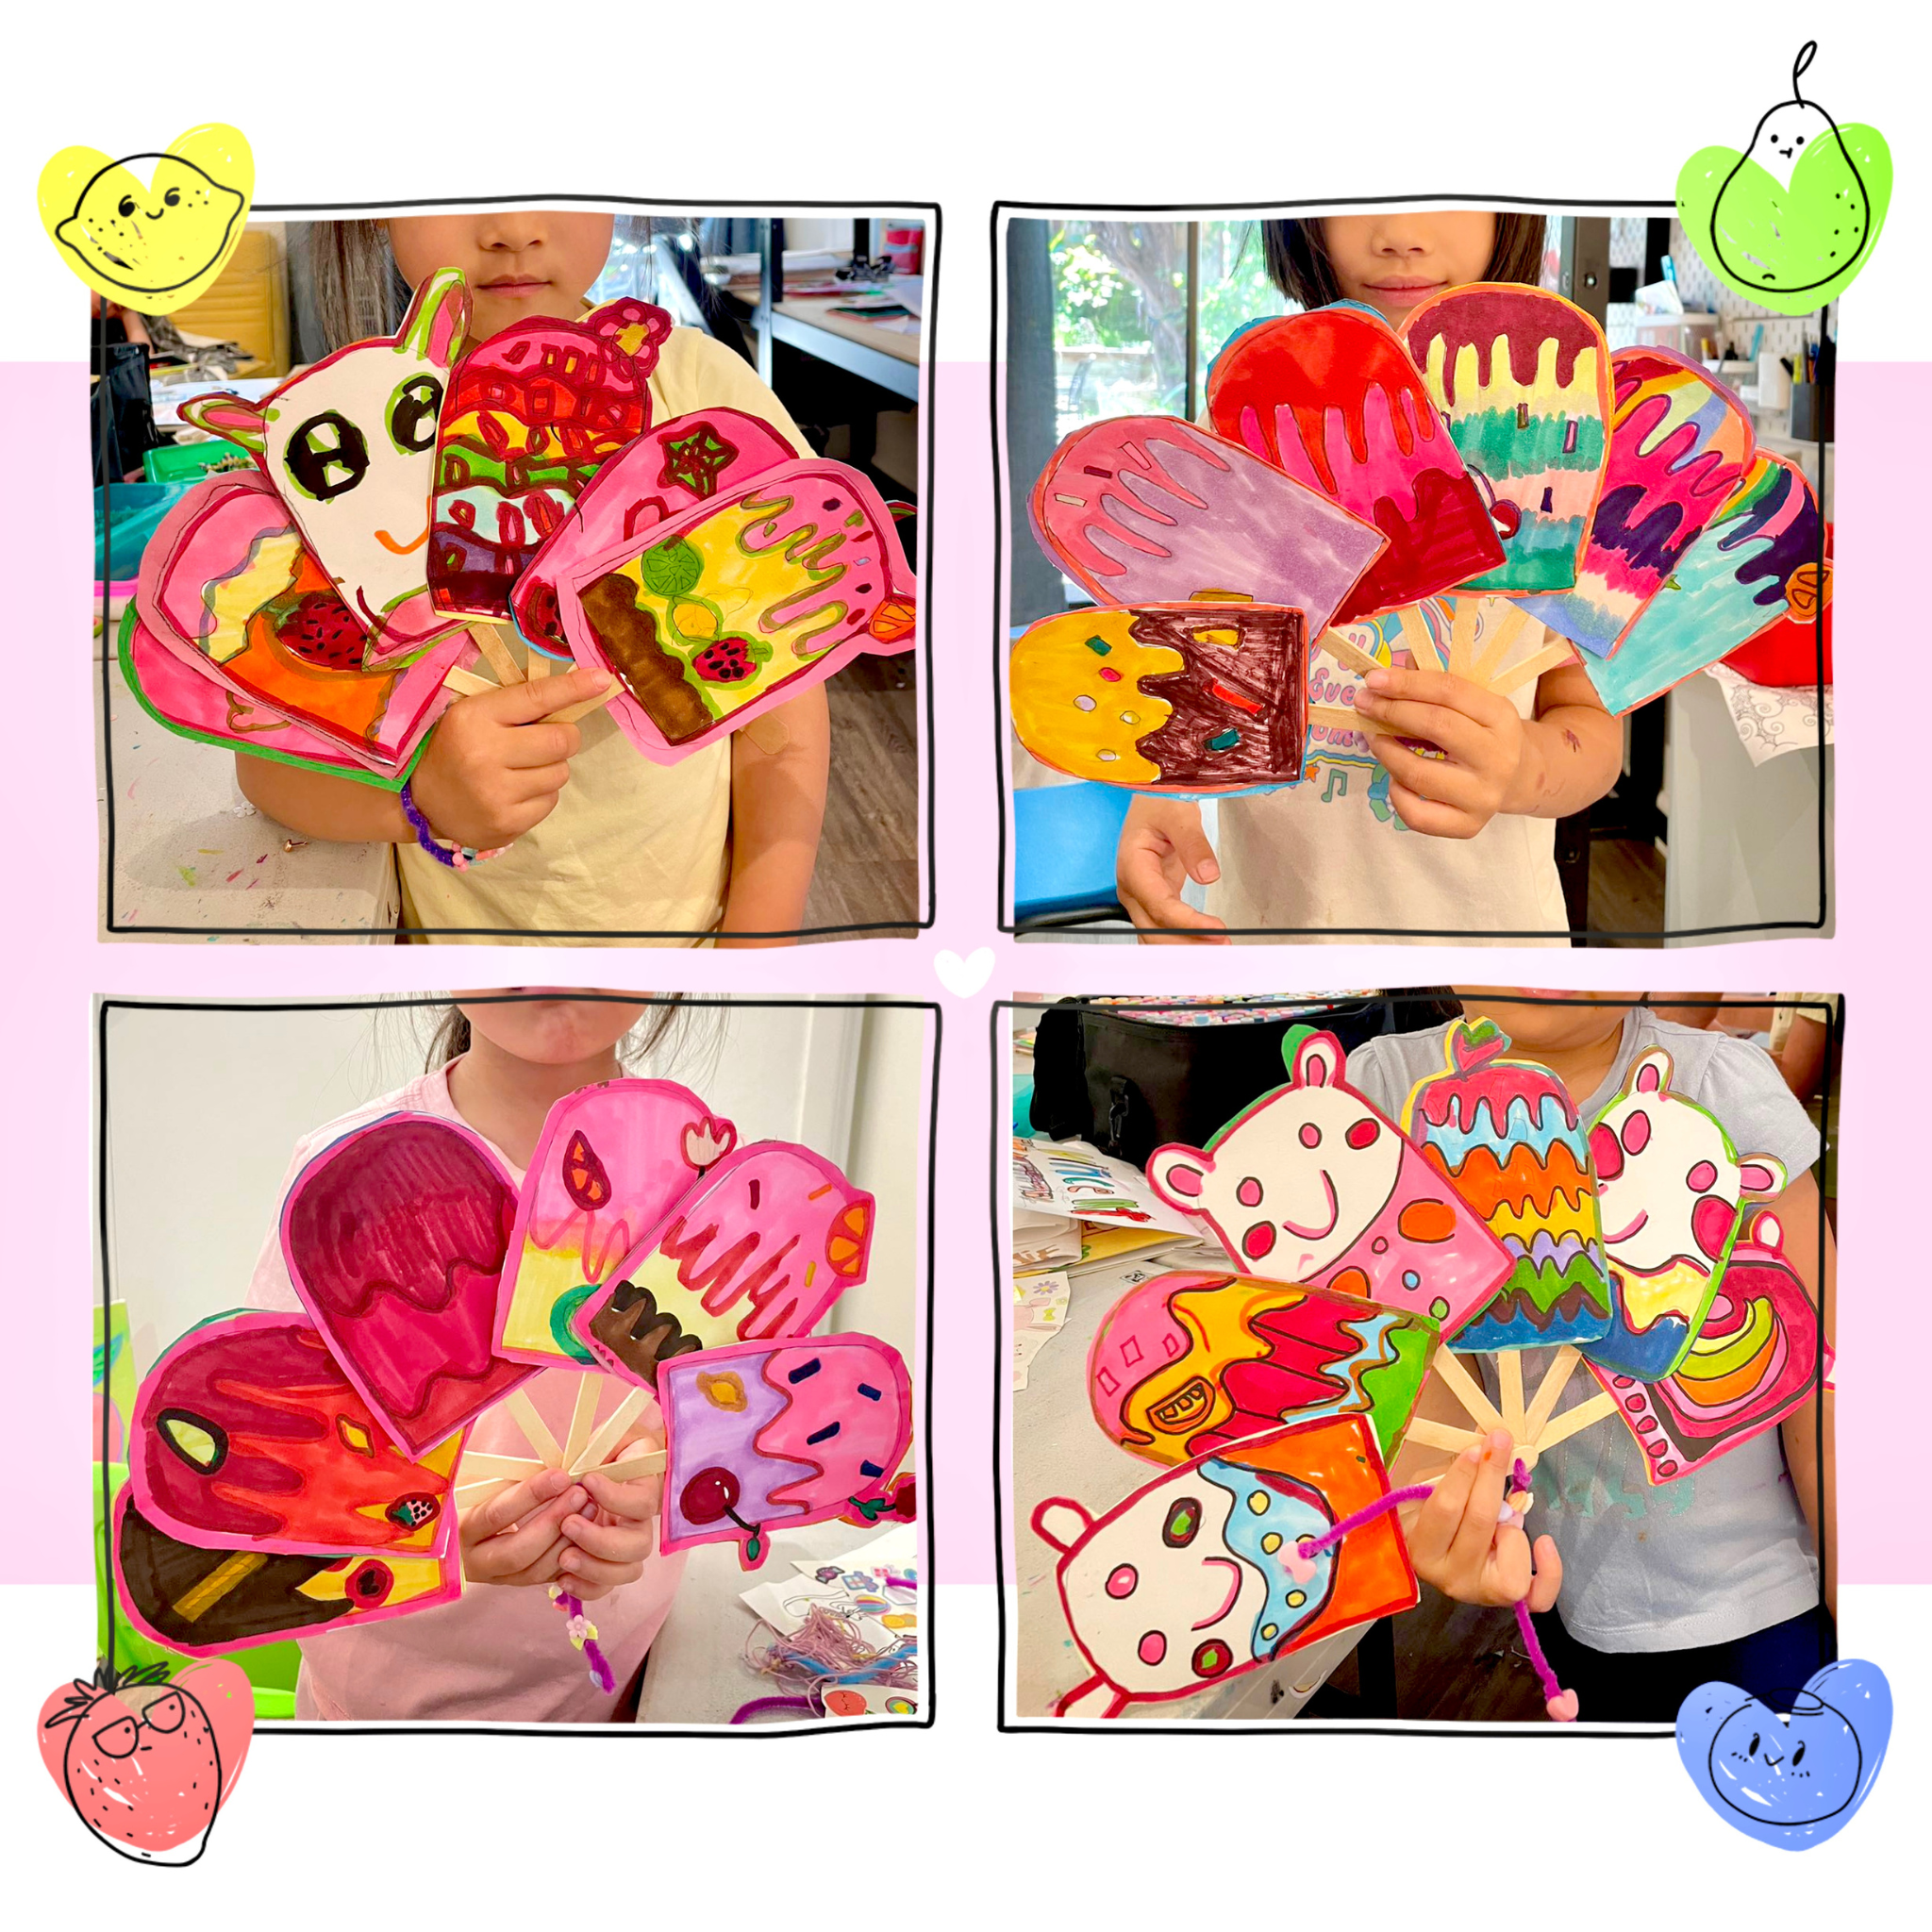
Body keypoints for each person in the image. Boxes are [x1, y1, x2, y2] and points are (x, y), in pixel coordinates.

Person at [236, 211, 829, 945]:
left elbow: (783, 705)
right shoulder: (332, 437)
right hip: (450, 956)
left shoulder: (699, 388)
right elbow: (266, 768)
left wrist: (757, 944)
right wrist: (424, 802)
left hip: (692, 944)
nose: (514, 230)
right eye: (457, 188)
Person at [1115, 210, 1623, 943]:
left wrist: (1522, 768)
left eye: (1445, 191)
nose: (1401, 235)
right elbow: (1195, 665)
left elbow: (1592, 725)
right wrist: (1160, 791)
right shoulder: (1245, 420)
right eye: (1363, 190)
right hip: (1264, 929)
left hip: (1483, 955)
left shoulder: (1563, 441)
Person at [1349, 990, 1834, 1722]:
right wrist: (1438, 1502)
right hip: (1568, 1591)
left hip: (1766, 1595)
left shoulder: (1723, 1089)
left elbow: (1825, 1395)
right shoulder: (1383, 1093)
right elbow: (1419, 1371)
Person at [246, 992, 686, 1721]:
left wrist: (662, 1492)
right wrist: (424, 1539)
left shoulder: (702, 1168)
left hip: (615, 1690)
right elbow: (276, 1470)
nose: (555, 959)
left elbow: (718, 1428)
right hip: (386, 1711)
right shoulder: (345, 1177)